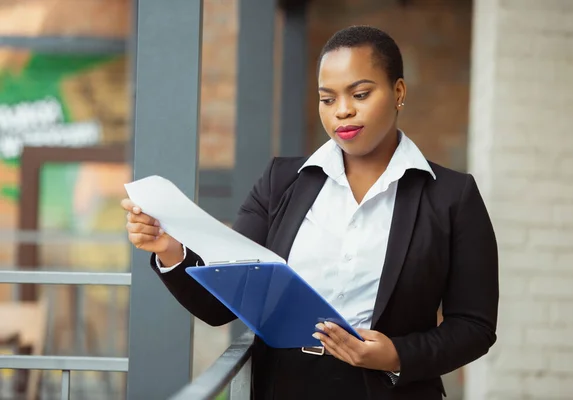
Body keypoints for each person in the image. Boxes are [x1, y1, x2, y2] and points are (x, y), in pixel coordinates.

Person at [121, 25, 498, 400]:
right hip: (285, 387)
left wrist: (396, 355)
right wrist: (170, 251)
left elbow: (474, 326)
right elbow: (224, 307)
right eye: (327, 99)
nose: (343, 111)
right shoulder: (280, 182)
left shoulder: (452, 196)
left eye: (361, 94)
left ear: (398, 92)